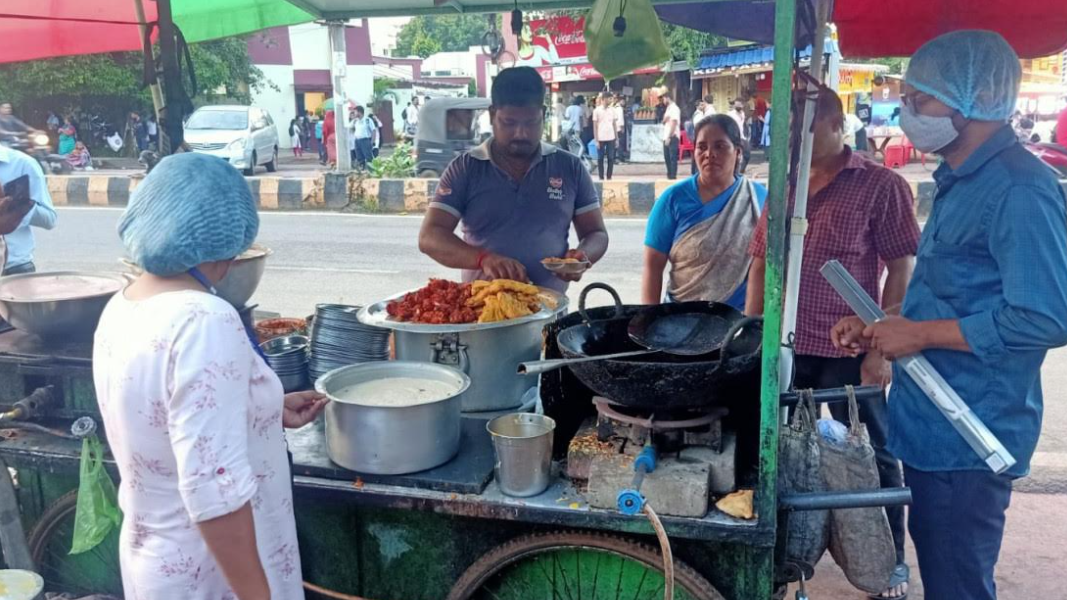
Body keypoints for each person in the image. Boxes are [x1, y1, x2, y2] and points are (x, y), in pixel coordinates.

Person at [833, 30, 1067, 600]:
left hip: (971, 432)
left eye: (921, 99)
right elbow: (950, 294)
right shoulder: (961, 181)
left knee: (957, 584)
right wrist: (885, 322)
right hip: (932, 425)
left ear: (969, 102)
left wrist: (917, 334)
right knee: (942, 568)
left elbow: (1044, 317)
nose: (907, 110)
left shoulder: (1019, 188)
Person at [96, 153, 327, 599]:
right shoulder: (204, 318)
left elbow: (165, 414)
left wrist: (264, 409)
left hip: (158, 559)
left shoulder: (124, 303)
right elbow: (213, 489)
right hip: (217, 576)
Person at [747, 84, 920, 600]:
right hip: (786, 349)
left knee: (871, 455)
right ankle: (782, 560)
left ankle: (889, 565)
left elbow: (901, 268)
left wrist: (878, 346)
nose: (795, 137)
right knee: (777, 453)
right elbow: (761, 262)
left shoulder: (880, 185)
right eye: (788, 127)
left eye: (806, 125)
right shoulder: (783, 183)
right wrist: (753, 336)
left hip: (849, 349)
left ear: (836, 124)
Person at [419, 66, 609, 293]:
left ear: (544, 114)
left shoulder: (570, 167)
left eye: (531, 123)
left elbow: (596, 233)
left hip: (549, 313)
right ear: (492, 115)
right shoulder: (465, 168)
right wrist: (483, 259)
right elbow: (430, 236)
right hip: (481, 314)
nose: (521, 134)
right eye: (509, 123)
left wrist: (582, 256)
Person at [642, 114, 767, 309]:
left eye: (720, 146)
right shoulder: (673, 199)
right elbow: (653, 267)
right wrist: (648, 320)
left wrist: (752, 325)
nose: (709, 153)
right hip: (681, 319)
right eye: (702, 147)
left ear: (738, 152)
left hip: (738, 322)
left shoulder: (758, 197)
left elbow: (765, 267)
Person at [593, 94, 619, 180]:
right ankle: (601, 176)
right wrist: (596, 140)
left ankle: (609, 176)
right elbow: (595, 126)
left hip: (611, 137)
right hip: (600, 137)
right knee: (600, 158)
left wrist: (617, 138)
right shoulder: (596, 111)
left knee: (611, 158)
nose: (611, 100)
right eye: (609, 99)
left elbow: (614, 125)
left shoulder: (613, 110)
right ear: (604, 99)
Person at [728, 99, 752, 173]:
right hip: (733, 137)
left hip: (742, 137)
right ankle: (734, 171)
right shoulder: (730, 114)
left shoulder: (742, 113)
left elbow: (743, 125)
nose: (738, 106)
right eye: (736, 104)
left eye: (740, 104)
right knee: (734, 155)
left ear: (742, 105)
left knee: (747, 154)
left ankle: (741, 170)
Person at [661, 94, 681, 180]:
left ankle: (673, 175)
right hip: (666, 136)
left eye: (664, 99)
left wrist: (669, 137)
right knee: (667, 157)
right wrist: (666, 119)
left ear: (668, 98)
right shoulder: (668, 109)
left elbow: (674, 123)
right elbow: (663, 120)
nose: (663, 101)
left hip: (672, 135)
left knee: (672, 157)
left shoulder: (674, 109)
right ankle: (669, 174)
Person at [612, 95, 626, 162]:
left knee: (615, 143)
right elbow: (620, 119)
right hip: (619, 128)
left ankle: (613, 157)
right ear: (620, 101)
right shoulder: (619, 108)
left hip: (614, 128)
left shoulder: (614, 107)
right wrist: (622, 128)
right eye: (623, 101)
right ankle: (621, 158)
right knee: (620, 143)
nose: (624, 102)